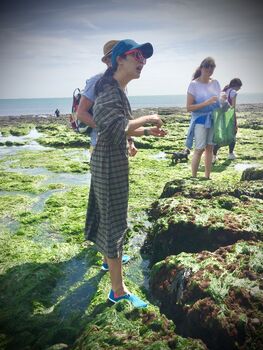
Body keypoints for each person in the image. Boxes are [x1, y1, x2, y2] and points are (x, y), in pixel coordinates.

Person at [85, 39, 166, 308]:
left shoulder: (118, 88)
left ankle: (111, 264)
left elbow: (121, 127)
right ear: (119, 59)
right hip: (108, 160)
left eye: (144, 57)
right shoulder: (108, 89)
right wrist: (148, 118)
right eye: (137, 55)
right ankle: (117, 291)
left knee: (109, 216)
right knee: (114, 221)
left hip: (110, 158)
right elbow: (111, 127)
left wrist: (146, 132)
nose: (142, 61)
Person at [76, 40, 137, 157]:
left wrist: (130, 142)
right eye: (113, 57)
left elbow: (123, 117)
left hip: (119, 145)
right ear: (108, 61)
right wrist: (108, 128)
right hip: (100, 145)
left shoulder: (123, 84)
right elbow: (81, 113)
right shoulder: (96, 81)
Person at [185, 57, 224, 179]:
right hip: (200, 120)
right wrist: (206, 103)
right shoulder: (194, 85)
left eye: (212, 67)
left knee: (210, 148)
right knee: (199, 148)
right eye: (207, 66)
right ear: (201, 67)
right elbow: (189, 107)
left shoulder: (216, 83)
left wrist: (223, 102)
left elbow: (219, 102)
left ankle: (207, 177)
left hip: (213, 119)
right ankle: (193, 177)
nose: (210, 69)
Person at [213, 78, 243, 162]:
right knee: (232, 134)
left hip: (221, 116)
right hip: (229, 116)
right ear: (236, 85)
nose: (239, 89)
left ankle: (214, 156)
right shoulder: (233, 92)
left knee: (219, 135)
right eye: (239, 87)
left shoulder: (225, 90)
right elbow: (232, 107)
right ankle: (230, 154)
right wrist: (234, 121)